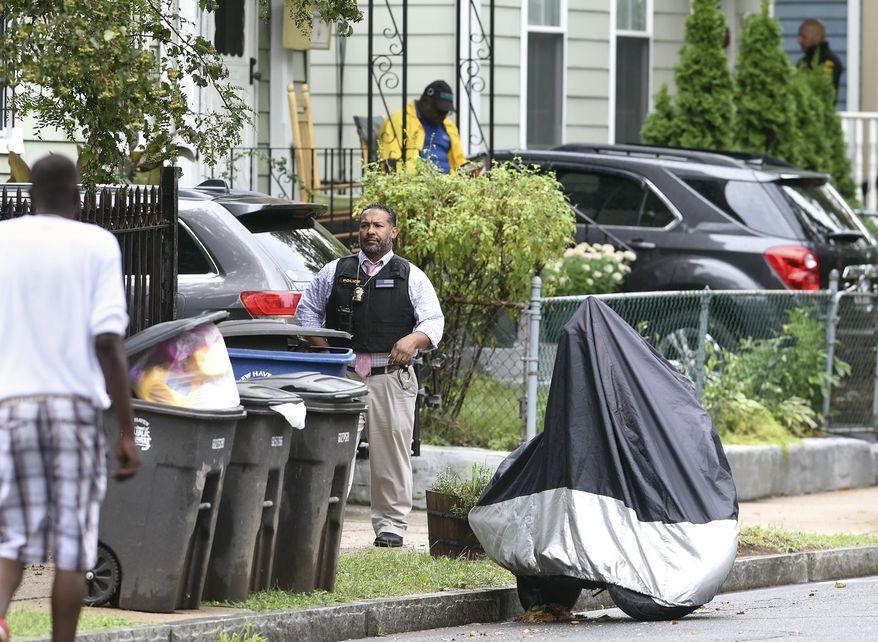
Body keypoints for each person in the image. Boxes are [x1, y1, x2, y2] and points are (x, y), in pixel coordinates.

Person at [0, 156, 140, 642]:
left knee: (13, 536)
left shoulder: (4, 241)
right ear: (77, 196)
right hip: (73, 410)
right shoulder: (95, 244)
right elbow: (107, 342)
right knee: (74, 541)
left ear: (29, 194)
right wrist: (126, 430)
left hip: (12, 407)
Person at [296, 204, 444, 547]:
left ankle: (391, 526)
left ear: (393, 232)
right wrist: (326, 351)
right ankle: (321, 519)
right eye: (364, 225)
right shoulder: (335, 271)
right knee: (331, 450)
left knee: (391, 453)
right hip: (342, 375)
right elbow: (306, 312)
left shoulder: (411, 275)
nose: (370, 231)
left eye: (378, 225)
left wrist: (413, 339)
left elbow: (433, 323)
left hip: (390, 376)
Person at [377, 80, 467, 174]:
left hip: (450, 184)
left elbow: (459, 162)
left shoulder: (449, 126)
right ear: (425, 101)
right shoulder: (399, 120)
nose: (442, 116)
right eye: (439, 111)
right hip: (415, 184)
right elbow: (389, 164)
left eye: (445, 113)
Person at [797, 18, 844, 101]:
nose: (799, 41)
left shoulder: (830, 61)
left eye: (803, 37)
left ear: (817, 36)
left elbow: (825, 89)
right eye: (799, 37)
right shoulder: (802, 62)